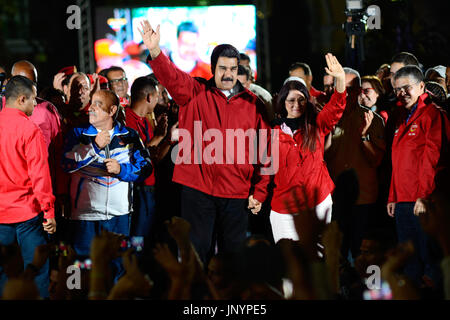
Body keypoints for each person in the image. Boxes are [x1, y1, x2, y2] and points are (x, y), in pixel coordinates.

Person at [138, 19, 271, 265]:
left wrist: (260, 191)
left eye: (233, 69)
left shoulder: (254, 104)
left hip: (236, 192)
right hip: (197, 191)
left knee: (234, 260)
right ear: (213, 68)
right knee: (196, 258)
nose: (228, 74)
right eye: (222, 68)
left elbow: (265, 152)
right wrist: (155, 51)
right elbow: (172, 77)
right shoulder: (194, 92)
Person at [61, 89, 152, 279]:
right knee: (78, 269)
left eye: (98, 104)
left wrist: (122, 170)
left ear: (112, 110)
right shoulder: (78, 133)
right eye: (91, 102)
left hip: (118, 217)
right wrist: (93, 147)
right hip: (84, 216)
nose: (91, 108)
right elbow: (65, 164)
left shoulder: (129, 136)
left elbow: (146, 168)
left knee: (117, 267)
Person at [269, 53, 346, 243]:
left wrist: (341, 79)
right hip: (283, 208)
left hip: (317, 202)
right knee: (289, 265)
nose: (296, 105)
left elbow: (336, 106)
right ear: (282, 102)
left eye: (301, 99)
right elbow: (264, 170)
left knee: (318, 263)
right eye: (291, 100)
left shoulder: (317, 124)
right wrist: (257, 195)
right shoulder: (271, 132)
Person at [387, 65, 448, 288]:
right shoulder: (400, 116)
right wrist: (392, 195)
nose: (401, 93)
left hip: (422, 201)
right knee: (409, 262)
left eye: (407, 88)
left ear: (421, 86)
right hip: (402, 200)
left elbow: (433, 161)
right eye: (397, 89)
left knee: (430, 264)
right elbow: (397, 159)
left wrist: (424, 197)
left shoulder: (432, 115)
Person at [0, 76, 57, 298]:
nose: (36, 104)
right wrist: (49, 211)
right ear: (22, 99)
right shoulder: (30, 130)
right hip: (28, 215)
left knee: (3, 273)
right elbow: (40, 176)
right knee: (38, 271)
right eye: (34, 99)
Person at [325, 67, 386, 262]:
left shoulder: (373, 120)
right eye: (344, 87)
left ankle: (373, 291)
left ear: (360, 90)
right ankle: (338, 291)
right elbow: (321, 157)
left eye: (353, 88)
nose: (348, 92)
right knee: (336, 255)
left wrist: (364, 136)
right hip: (335, 199)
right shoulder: (327, 119)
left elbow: (377, 160)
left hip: (364, 199)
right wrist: (327, 129)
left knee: (367, 254)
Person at [125, 75, 174, 241]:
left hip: (151, 187)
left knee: (149, 239)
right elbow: (136, 156)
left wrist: (167, 138)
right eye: (158, 96)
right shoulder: (126, 120)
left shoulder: (146, 122)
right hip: (137, 189)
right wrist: (159, 137)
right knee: (137, 237)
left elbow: (154, 157)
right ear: (149, 97)